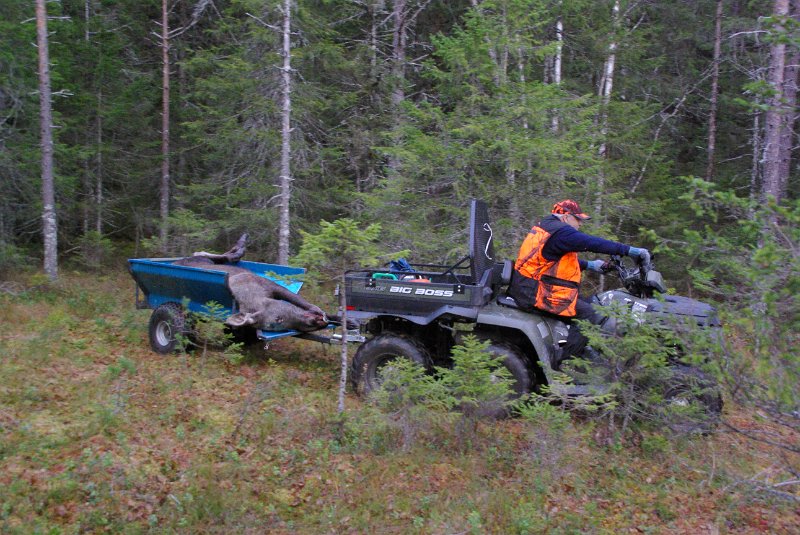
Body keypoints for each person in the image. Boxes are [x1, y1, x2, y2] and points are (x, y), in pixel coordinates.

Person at [507, 199, 649, 369]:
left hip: (529, 286)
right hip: (534, 292)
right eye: (578, 219)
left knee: (589, 302)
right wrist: (630, 251)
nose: (580, 223)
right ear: (566, 217)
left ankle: (580, 346)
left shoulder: (546, 227)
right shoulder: (561, 232)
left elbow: (552, 259)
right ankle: (566, 363)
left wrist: (590, 265)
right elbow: (591, 243)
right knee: (589, 314)